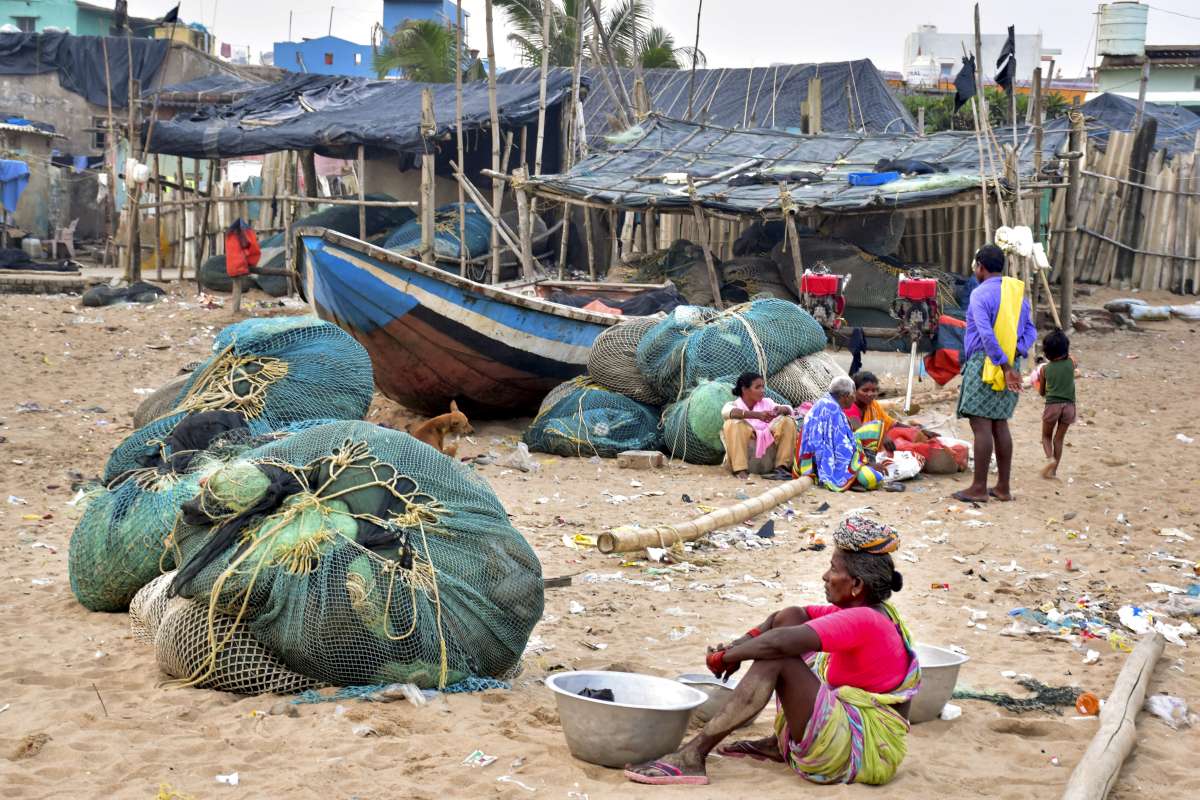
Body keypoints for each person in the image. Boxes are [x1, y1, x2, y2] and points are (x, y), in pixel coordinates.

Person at [624, 516, 921, 787]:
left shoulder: (865, 620)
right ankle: (781, 745)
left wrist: (726, 658)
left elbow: (779, 643)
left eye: (833, 569)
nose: (824, 576)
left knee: (779, 657)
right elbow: (786, 616)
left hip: (860, 750)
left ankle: (692, 755)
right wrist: (739, 644)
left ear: (856, 584)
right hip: (849, 728)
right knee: (790, 622)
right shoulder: (868, 610)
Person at [954, 244, 1037, 503]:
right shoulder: (1017, 294)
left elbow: (986, 333)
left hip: (986, 363)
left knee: (981, 424)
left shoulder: (980, 295)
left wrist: (1003, 365)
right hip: (1010, 362)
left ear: (980, 266)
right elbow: (1031, 331)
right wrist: (1015, 353)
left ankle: (979, 487)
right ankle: (1003, 487)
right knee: (1000, 422)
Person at [796, 376, 884, 491]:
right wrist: (862, 465)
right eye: (853, 395)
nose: (854, 399)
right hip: (823, 465)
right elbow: (842, 449)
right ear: (845, 396)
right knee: (872, 477)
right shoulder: (833, 410)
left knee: (872, 430)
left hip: (811, 460)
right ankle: (854, 480)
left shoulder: (825, 402)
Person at [721, 372, 797, 480]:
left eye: (763, 387)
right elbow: (726, 412)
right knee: (732, 423)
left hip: (768, 460)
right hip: (748, 459)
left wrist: (779, 410)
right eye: (757, 387)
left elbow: (789, 409)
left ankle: (781, 468)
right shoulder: (734, 405)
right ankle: (740, 471)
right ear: (745, 390)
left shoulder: (767, 403)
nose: (762, 390)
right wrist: (757, 415)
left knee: (788, 421)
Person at [846, 372, 939, 458]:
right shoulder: (850, 407)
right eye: (865, 390)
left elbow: (892, 423)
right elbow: (860, 431)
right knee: (904, 448)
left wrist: (920, 430)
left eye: (874, 390)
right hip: (856, 450)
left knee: (908, 433)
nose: (870, 394)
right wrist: (882, 436)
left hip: (873, 445)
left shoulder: (873, 405)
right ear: (854, 391)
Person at [1037, 329, 1076, 479]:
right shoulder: (1071, 363)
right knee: (1058, 439)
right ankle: (1054, 471)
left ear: (1047, 353)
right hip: (1070, 407)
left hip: (1052, 406)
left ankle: (1050, 459)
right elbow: (1073, 357)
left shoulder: (1045, 369)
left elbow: (1042, 392)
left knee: (1046, 437)